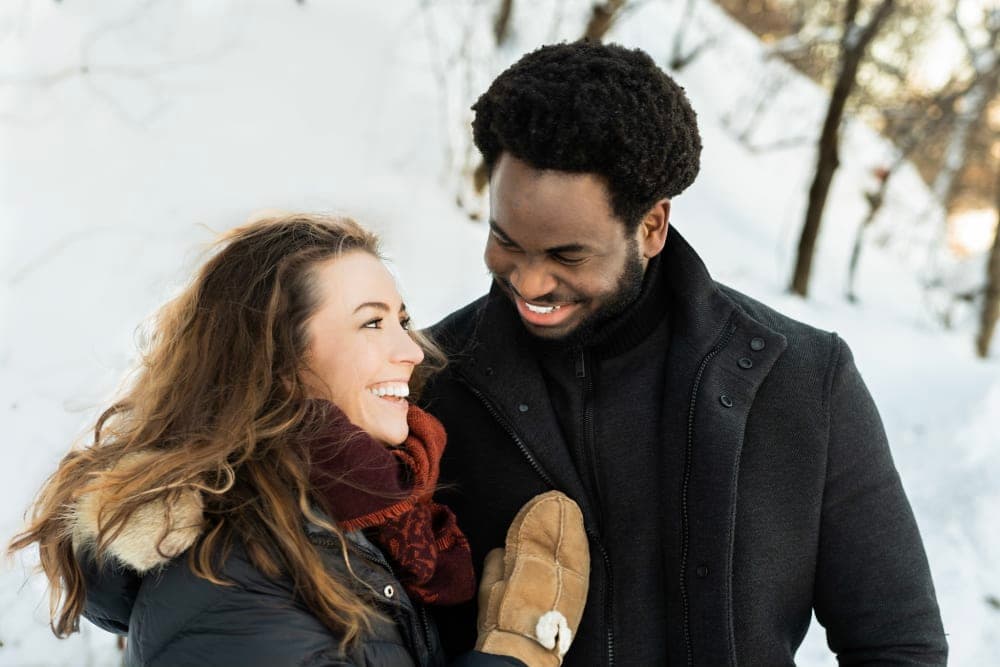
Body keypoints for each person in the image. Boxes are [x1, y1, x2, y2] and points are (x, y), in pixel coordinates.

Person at [421, 41, 948, 666]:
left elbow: (897, 644)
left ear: (651, 226)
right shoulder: (431, 382)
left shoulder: (807, 381)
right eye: (506, 241)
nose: (530, 283)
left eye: (567, 256)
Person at [10, 214, 590, 667]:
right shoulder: (234, 568)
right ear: (279, 362)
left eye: (402, 319)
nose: (411, 351)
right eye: (371, 322)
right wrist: (511, 656)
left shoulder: (349, 528)